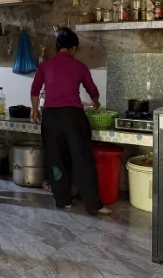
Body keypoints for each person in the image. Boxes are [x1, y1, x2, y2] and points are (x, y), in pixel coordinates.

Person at [30, 28, 111, 215]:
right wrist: (96, 101)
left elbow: (35, 90)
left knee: (56, 159)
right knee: (82, 159)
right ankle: (93, 204)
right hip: (73, 118)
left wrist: (35, 110)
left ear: (58, 47)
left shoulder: (45, 66)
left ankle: (62, 200)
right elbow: (92, 91)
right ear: (74, 48)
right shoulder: (80, 67)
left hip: (50, 118)